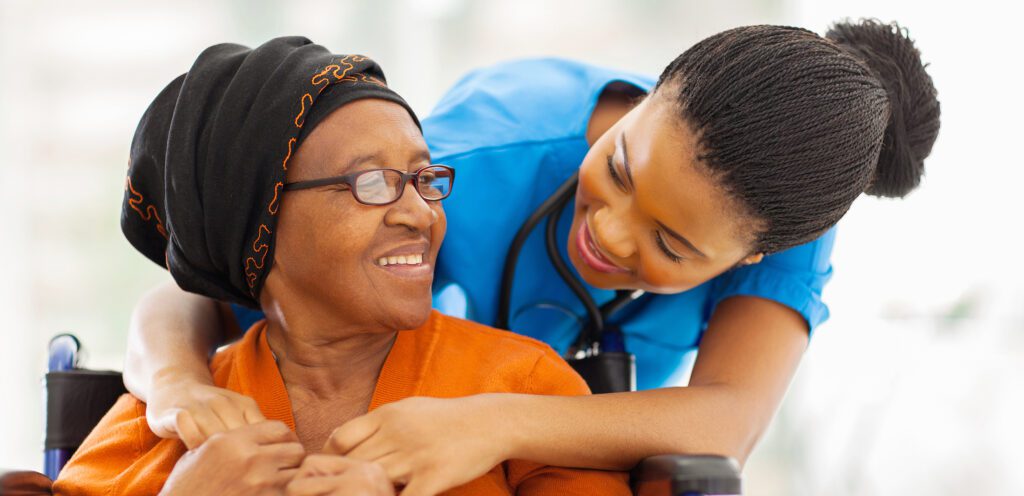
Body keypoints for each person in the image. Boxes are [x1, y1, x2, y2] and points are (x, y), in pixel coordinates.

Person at [123, 20, 941, 495]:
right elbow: (203, 278)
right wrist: (176, 386)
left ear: (758, 253)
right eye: (619, 170)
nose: (612, 236)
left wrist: (493, 419)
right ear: (648, 96)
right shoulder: (472, 164)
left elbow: (728, 421)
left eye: (672, 244)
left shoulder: (781, 221)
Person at [53, 37, 629, 496]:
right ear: (261, 222)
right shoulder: (160, 426)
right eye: (372, 182)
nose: (420, 213)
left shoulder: (524, 386)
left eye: (424, 179)